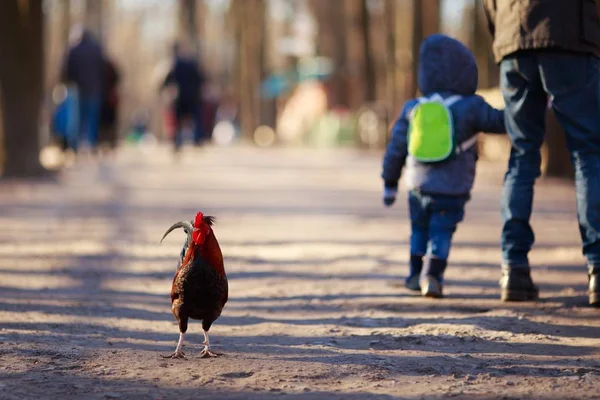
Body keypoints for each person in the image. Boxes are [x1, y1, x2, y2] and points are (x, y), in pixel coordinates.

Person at [483, 0, 600, 306]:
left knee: (522, 154)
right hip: (570, 34)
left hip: (514, 37)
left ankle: (514, 270)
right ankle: (598, 268)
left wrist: (502, 35)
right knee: (588, 152)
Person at [381, 34, 506, 298]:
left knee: (419, 229)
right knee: (442, 231)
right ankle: (433, 276)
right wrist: (529, 109)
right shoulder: (472, 106)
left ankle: (414, 275)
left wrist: (389, 183)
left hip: (417, 184)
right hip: (453, 186)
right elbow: (500, 123)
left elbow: (396, 149)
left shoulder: (412, 107)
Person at [62, 25, 105, 153]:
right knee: (92, 118)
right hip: (94, 88)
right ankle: (90, 144)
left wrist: (69, 81)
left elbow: (66, 69)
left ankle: (75, 146)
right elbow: (102, 70)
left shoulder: (73, 50)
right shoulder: (97, 50)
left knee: (76, 118)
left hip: (77, 88)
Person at [161, 42, 206, 152]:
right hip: (193, 97)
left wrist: (163, 89)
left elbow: (167, 79)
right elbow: (201, 79)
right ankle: (197, 140)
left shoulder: (175, 65)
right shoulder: (193, 64)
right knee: (195, 119)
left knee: (178, 120)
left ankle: (178, 142)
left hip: (180, 96)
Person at [99, 57, 121, 153]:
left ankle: (105, 142)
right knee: (109, 122)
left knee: (105, 122)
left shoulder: (102, 67)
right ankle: (108, 142)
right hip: (108, 99)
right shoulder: (110, 67)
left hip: (104, 98)